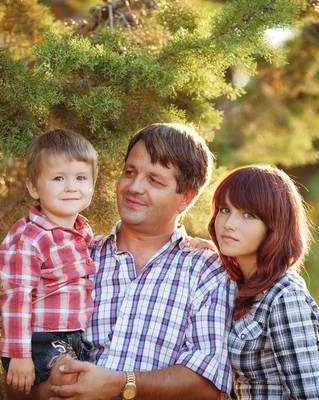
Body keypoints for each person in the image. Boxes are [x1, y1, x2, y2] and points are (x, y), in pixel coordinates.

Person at [13, 123, 235, 400]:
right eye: (130, 172)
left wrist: (121, 384)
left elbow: (208, 383)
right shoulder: (75, 258)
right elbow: (16, 380)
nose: (134, 187)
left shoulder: (207, 271)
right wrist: (49, 389)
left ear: (186, 198)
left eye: (155, 180)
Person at [207, 165, 319, 399]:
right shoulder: (238, 285)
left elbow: (310, 396)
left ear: (273, 227)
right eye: (224, 209)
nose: (229, 223)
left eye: (248, 215)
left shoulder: (285, 297)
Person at [0, 128, 98, 395]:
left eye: (80, 178)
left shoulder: (82, 232)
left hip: (75, 336)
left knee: (90, 385)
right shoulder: (31, 238)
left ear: (92, 186)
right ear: (33, 187)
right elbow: (16, 297)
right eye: (58, 178)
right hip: (39, 339)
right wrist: (19, 354)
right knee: (71, 384)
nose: (71, 187)